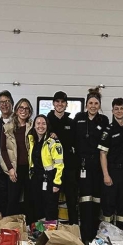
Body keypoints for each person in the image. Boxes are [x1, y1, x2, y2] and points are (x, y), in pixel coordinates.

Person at [74, 88, 109, 243]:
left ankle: (95, 236)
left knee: (96, 201)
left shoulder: (104, 120)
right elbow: (72, 138)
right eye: (90, 103)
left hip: (97, 164)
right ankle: (84, 235)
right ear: (86, 104)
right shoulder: (79, 118)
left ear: (99, 105)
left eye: (96, 103)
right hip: (82, 164)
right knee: (84, 201)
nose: (93, 106)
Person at [99, 98, 123, 232]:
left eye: (121, 108)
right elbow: (102, 154)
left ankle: (121, 234)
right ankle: (107, 234)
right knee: (109, 204)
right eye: (116, 108)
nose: (119, 111)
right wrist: (106, 175)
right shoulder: (108, 129)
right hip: (112, 171)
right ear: (112, 110)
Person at [47, 91, 77, 225]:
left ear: (66, 104)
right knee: (51, 201)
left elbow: (75, 143)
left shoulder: (71, 122)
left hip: (69, 168)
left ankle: (74, 231)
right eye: (57, 101)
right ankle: (51, 233)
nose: (60, 104)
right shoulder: (46, 122)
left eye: (62, 102)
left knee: (72, 200)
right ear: (53, 103)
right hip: (52, 169)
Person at [0, 98, 33, 218]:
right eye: (21, 108)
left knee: (30, 201)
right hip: (14, 169)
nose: (23, 111)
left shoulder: (32, 127)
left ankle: (28, 229)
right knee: (12, 200)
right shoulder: (7, 127)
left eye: (26, 108)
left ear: (29, 111)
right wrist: (10, 169)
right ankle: (9, 228)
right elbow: (3, 150)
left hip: (29, 170)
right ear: (16, 110)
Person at [28, 114, 64, 222]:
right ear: (34, 126)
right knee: (37, 208)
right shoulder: (32, 140)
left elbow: (59, 164)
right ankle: (39, 235)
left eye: (43, 123)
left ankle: (50, 236)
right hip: (36, 179)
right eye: (38, 123)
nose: (41, 126)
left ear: (47, 126)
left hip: (50, 179)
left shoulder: (53, 142)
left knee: (50, 209)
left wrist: (56, 183)